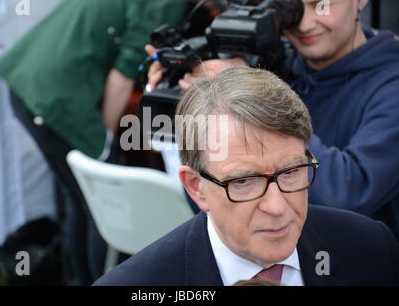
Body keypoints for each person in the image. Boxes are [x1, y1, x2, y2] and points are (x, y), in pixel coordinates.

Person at [0, 0, 222, 285]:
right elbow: (122, 76)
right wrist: (106, 141)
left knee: (78, 200)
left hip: (27, 83)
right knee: (100, 204)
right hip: (52, 97)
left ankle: (80, 279)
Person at [94, 67, 399, 286]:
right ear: (196, 187)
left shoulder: (370, 247)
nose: (278, 207)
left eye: (291, 172)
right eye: (244, 181)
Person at [146, 0, 399, 240]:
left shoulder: (390, 84)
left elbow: (350, 193)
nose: (305, 24)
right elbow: (213, 199)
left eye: (321, 5)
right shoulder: (280, 61)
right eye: (292, 8)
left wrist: (251, 96)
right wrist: (189, 95)